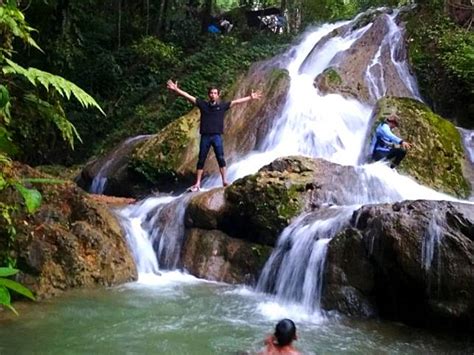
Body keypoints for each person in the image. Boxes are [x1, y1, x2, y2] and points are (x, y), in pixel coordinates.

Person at [166, 80, 262, 191]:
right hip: (206, 136)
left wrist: (250, 97)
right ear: (209, 94)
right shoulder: (203, 105)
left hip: (216, 136)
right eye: (211, 93)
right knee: (201, 159)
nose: (213, 95)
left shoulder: (222, 106)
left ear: (218, 95)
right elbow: (189, 96)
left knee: (220, 158)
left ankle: (224, 181)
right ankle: (197, 184)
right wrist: (177, 90)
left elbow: (236, 102)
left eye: (215, 93)